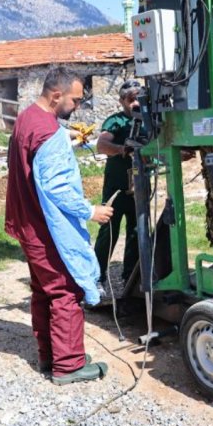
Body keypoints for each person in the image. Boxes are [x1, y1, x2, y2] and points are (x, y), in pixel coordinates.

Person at [4, 67, 114, 385]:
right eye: (74, 100)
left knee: (43, 290)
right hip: (44, 227)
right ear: (56, 96)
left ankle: (50, 355)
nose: (77, 106)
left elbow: (38, 158)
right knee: (66, 289)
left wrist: (68, 143)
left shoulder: (28, 118)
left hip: (26, 221)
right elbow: (57, 188)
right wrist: (89, 211)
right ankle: (68, 365)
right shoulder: (47, 131)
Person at [94, 79, 142, 299]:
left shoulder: (148, 120)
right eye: (131, 100)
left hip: (140, 185)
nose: (135, 104)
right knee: (109, 231)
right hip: (117, 186)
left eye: (138, 99)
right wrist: (123, 149)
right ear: (122, 101)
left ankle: (129, 278)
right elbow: (102, 146)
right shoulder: (115, 121)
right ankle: (97, 278)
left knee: (136, 232)